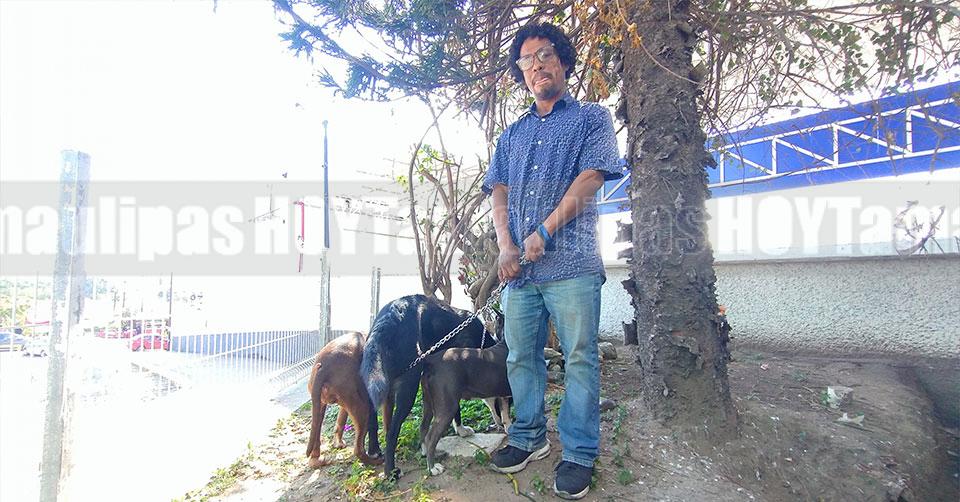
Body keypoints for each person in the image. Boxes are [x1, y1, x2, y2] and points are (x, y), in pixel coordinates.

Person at [481, 22, 623, 500]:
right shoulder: (512, 135)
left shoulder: (591, 119)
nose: (536, 66)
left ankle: (579, 452)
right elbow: (498, 192)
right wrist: (506, 245)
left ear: (562, 60)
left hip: (573, 265)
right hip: (521, 275)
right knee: (520, 355)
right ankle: (528, 436)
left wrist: (544, 231)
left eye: (544, 54)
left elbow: (591, 178)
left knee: (580, 358)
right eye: (526, 60)